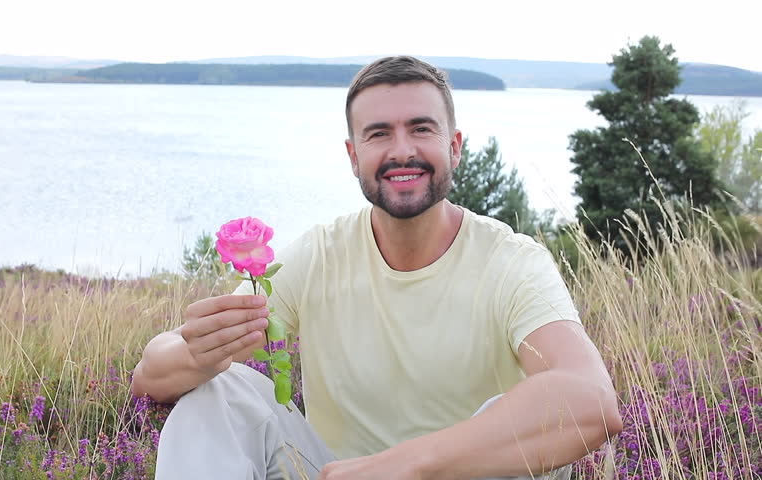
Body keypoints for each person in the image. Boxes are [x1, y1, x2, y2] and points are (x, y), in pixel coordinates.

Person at [132, 55, 623, 480]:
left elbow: (592, 400)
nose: (402, 150)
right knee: (223, 389)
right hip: (332, 472)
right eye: (379, 134)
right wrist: (203, 351)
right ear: (353, 156)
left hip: (462, 474)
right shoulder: (319, 255)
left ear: (454, 146)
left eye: (421, 128)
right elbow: (151, 375)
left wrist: (411, 465)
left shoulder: (511, 262)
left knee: (514, 412)